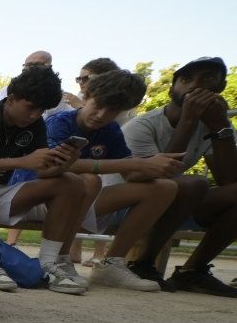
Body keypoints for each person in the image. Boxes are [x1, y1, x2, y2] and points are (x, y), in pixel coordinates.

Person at [13, 69, 179, 291]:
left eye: (112, 111)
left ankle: (112, 265)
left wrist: (157, 165)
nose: (101, 115)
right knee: (89, 181)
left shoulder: (111, 131)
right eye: (98, 105)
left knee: (164, 187)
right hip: (36, 197)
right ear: (87, 96)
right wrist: (133, 164)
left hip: (77, 200)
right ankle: (61, 259)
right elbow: (53, 166)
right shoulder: (59, 122)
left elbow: (132, 175)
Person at [123, 57, 237, 296]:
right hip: (129, 201)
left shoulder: (215, 126)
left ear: (220, 89)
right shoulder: (143, 126)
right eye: (186, 80)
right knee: (195, 183)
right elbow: (160, 174)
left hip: (175, 204)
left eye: (207, 79)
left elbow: (229, 182)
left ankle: (192, 272)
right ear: (171, 87)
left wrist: (220, 127)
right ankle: (142, 263)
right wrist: (188, 120)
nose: (195, 86)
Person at [0, 65, 88, 294]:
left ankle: (49, 264)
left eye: (42, 110)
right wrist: (22, 161)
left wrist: (63, 163)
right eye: (30, 108)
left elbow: (41, 171)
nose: (35, 115)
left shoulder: (34, 124)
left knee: (71, 182)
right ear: (11, 99)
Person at [0, 51, 78, 116]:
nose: (34, 116)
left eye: (36, 65)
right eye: (27, 65)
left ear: (49, 67)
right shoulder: (5, 91)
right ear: (10, 100)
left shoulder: (60, 97)